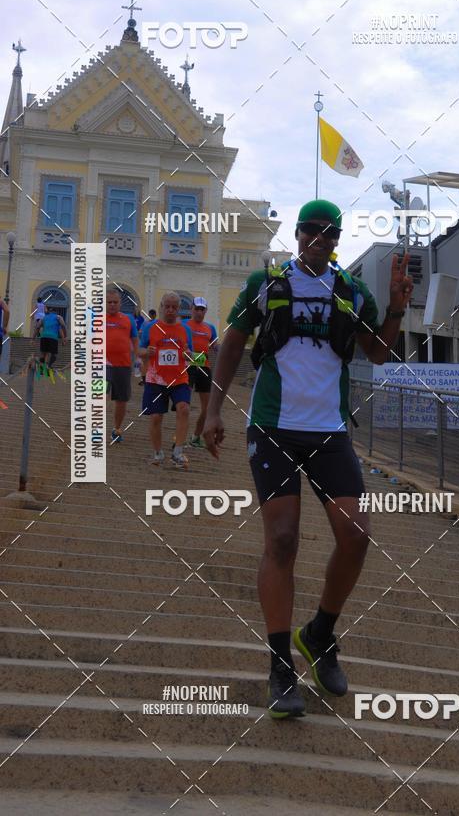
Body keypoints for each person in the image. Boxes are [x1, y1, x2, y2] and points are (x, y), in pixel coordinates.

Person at [204, 199, 414, 719]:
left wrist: (395, 307)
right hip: (273, 426)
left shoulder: (350, 291)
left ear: (337, 239)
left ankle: (319, 633)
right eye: (310, 231)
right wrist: (213, 411)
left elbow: (379, 353)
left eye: (329, 233)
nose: (319, 239)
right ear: (297, 235)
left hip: (329, 432)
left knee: (357, 534)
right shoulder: (267, 283)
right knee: (281, 539)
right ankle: (280, 666)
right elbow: (230, 346)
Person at [139, 292, 193, 468]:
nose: (170, 310)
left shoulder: (185, 329)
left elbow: (191, 354)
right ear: (161, 307)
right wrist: (147, 352)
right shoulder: (150, 328)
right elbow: (138, 351)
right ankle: (158, 453)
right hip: (156, 379)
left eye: (174, 307)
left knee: (184, 409)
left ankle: (178, 452)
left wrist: (188, 355)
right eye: (167, 306)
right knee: (155, 417)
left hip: (179, 378)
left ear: (179, 310)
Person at [183, 296, 219, 448]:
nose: (199, 312)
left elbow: (215, 346)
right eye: (196, 309)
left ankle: (195, 437)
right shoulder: (184, 325)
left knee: (207, 407)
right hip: (187, 366)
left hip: (204, 367)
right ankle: (180, 438)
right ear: (191, 309)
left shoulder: (210, 328)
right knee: (184, 404)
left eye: (202, 309)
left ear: (205, 311)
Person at [106, 288, 139, 443]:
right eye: (109, 302)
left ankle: (117, 429)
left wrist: (138, 359)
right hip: (101, 366)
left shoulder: (129, 320)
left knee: (121, 400)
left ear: (120, 303)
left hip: (123, 366)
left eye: (115, 302)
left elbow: (135, 342)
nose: (112, 305)